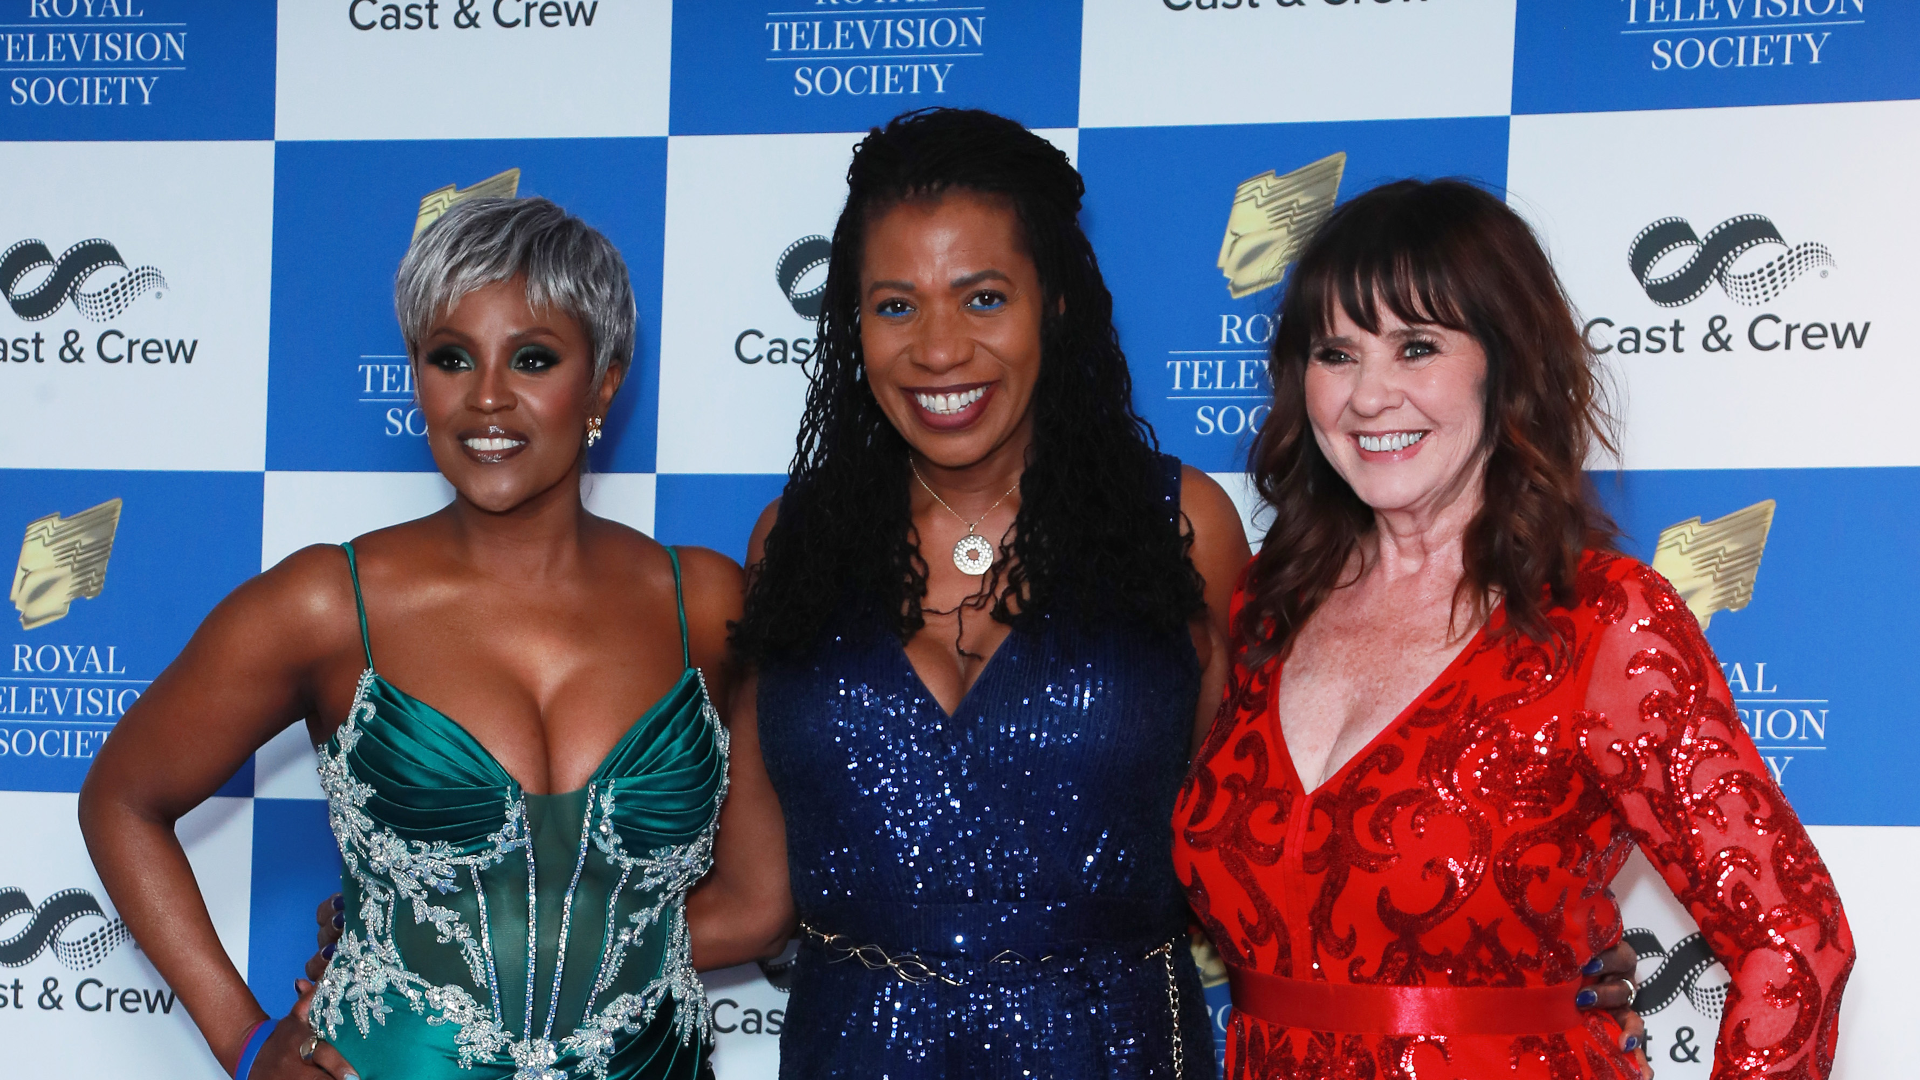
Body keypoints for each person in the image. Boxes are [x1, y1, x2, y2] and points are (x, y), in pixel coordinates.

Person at [726, 109, 1642, 1078]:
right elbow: (754, 896)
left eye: (984, 297)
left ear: (1058, 302)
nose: (939, 348)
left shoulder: (1179, 525)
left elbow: (1273, 821)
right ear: (852, 324)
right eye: (895, 305)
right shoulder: (795, 540)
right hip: (857, 1051)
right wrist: (560, 938)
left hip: (1114, 1052)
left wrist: (1507, 960)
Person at [77, 197, 790, 1080]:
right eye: (450, 358)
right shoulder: (328, 604)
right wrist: (249, 1039)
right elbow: (121, 800)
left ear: (604, 382)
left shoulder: (708, 604)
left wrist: (523, 942)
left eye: (533, 359)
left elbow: (761, 906)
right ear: (416, 377)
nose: (488, 397)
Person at [1173, 178, 1855, 1079]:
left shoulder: (1603, 621)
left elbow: (1796, 940)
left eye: (1416, 347)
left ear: (1508, 365)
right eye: (1335, 354)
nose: (1368, 396)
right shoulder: (1268, 604)